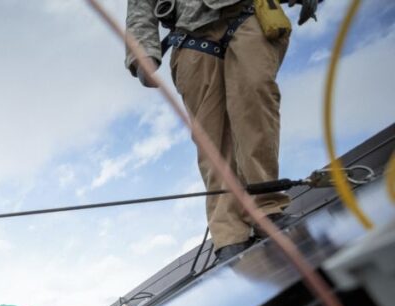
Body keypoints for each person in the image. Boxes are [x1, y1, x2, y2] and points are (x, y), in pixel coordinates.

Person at [125, 0, 318, 263]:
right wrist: (141, 52)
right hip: (189, 38)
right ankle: (229, 235)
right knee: (211, 140)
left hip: (247, 14)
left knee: (255, 102)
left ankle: (266, 207)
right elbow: (139, 7)